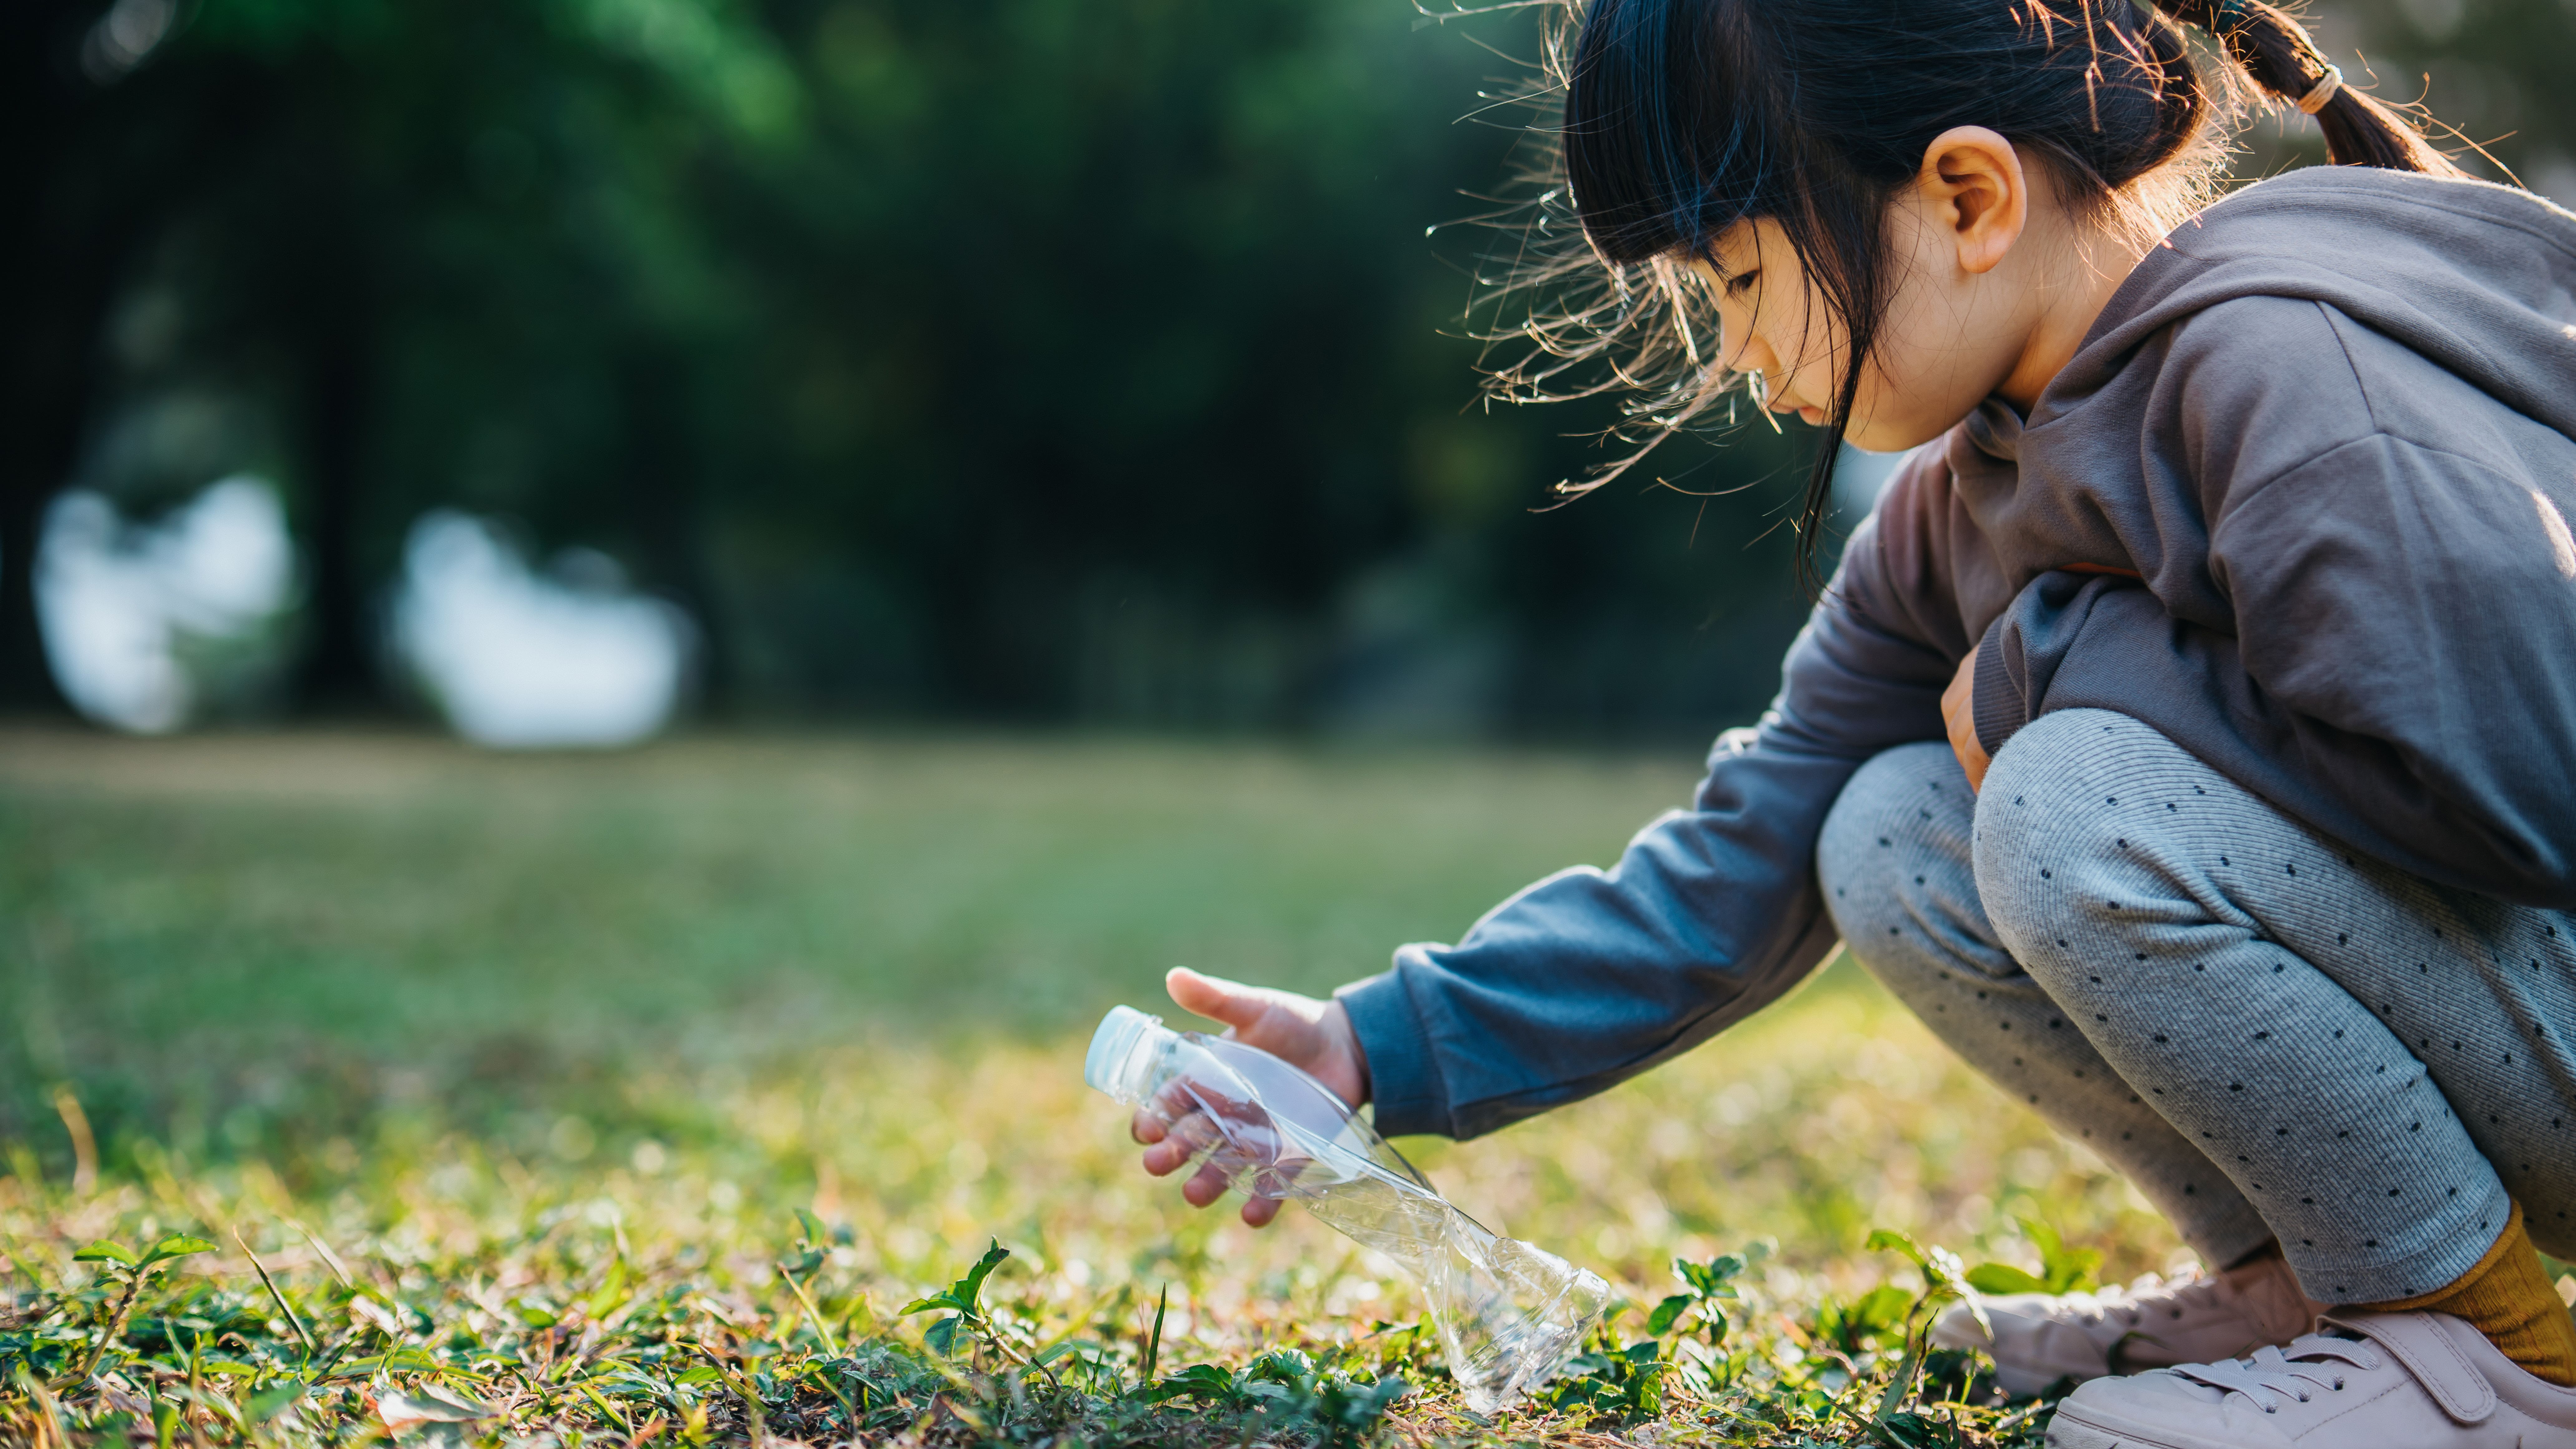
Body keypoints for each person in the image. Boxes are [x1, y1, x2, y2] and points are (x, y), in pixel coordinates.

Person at [1129, 0, 2576, 1441]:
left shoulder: (2287, 364)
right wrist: (1373, 1046)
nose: (1732, 352)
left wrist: (2044, 670)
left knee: (2068, 795)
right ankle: (2307, 1298)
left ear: (1968, 197)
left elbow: (2507, 779)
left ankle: (2484, 1362)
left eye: (1741, 278)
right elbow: (1756, 832)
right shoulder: (1972, 493)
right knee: (1885, 828)